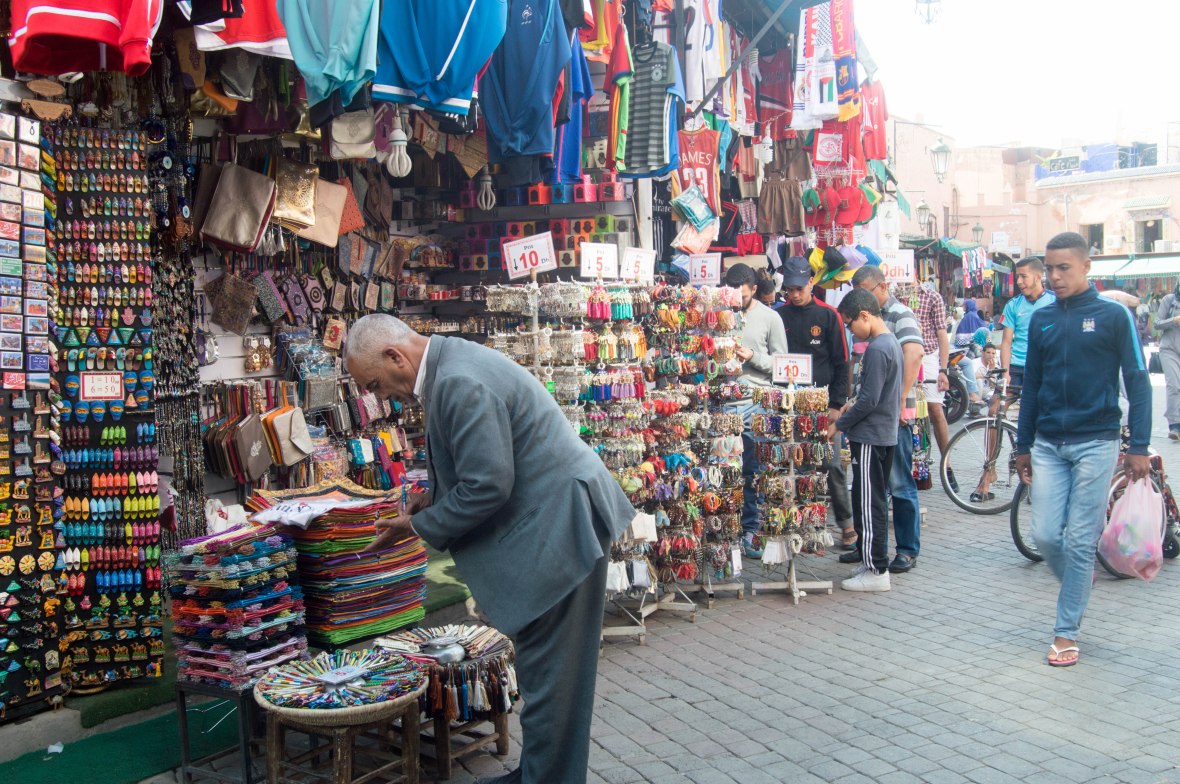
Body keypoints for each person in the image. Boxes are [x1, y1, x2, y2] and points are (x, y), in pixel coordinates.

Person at [344, 314, 635, 784]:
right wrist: (430, 501)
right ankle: (541, 773)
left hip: (560, 529)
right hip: (555, 522)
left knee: (553, 680)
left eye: (375, 383)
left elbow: (487, 486)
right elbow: (483, 464)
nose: (379, 397)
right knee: (549, 677)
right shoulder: (449, 365)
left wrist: (419, 524)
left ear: (395, 356)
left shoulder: (457, 381)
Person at [1014, 232, 1151, 668]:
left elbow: (1138, 379)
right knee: (1046, 535)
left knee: (1077, 540)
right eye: (1049, 269)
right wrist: (1022, 445)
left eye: (1063, 268)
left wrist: (1141, 445)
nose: (1053, 277)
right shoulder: (1042, 319)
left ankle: (1065, 631)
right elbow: (1031, 385)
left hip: (1098, 441)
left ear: (1086, 266)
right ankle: (1079, 578)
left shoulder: (1113, 316)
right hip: (1050, 444)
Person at [845, 266, 924, 573]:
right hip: (873, 413)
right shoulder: (869, 330)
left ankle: (905, 548)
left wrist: (898, 403)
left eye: (866, 290)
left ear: (881, 287)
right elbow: (858, 364)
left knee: (899, 484)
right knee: (871, 490)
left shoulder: (900, 316)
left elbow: (914, 355)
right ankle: (868, 546)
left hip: (891, 415)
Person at [828, 288, 904, 592]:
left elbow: (870, 399)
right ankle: (871, 562)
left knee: (871, 503)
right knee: (869, 499)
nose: (850, 331)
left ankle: (875, 569)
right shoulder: (887, 344)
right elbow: (872, 393)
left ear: (864, 315)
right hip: (879, 434)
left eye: (850, 324)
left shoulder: (877, 348)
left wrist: (840, 423)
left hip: (872, 436)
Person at [777, 256, 855, 549]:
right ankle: (798, 526)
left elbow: (841, 362)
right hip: (786, 405)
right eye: (789, 289)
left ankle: (846, 525)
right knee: (790, 465)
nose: (794, 295)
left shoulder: (828, 315)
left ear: (811, 282)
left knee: (832, 464)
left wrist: (836, 405)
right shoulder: (779, 315)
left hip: (823, 406)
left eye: (799, 288)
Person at [975, 256, 1057, 502]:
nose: (1019, 281)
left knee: (1042, 420)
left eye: (1023, 276)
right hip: (1018, 369)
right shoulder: (1014, 305)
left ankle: (1039, 477)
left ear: (1037, 276)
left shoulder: (1053, 302)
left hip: (1043, 369)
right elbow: (1007, 341)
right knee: (994, 411)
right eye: (1017, 277)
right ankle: (989, 471)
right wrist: (1006, 370)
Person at [723, 262, 789, 557]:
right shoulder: (720, 313)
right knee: (723, 472)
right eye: (732, 295)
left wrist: (753, 357)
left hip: (753, 402)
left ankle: (749, 530)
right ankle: (724, 532)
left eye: (743, 295)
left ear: (754, 290)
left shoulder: (770, 318)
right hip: (721, 402)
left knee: (750, 471)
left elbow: (783, 364)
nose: (737, 301)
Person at [913, 282, 952, 478]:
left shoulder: (931, 296)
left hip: (928, 355)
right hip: (903, 354)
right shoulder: (889, 293)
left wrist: (943, 370)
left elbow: (942, 334)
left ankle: (948, 466)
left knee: (935, 409)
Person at [1153, 283, 1180, 440]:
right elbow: (1157, 323)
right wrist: (1174, 320)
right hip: (1169, 349)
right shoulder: (1169, 300)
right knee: (1174, 386)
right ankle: (1175, 425)